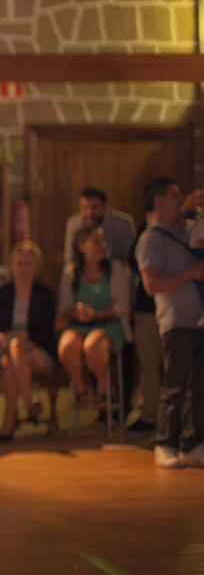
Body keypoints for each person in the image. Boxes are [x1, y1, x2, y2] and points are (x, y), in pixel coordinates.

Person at [134, 178, 204, 469]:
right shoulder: (151, 239)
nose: (181, 199)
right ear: (159, 201)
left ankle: (191, 444)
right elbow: (152, 284)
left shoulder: (183, 231)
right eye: (175, 196)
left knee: (197, 386)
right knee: (174, 385)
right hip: (175, 322)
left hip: (198, 321)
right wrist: (192, 273)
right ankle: (164, 443)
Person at [57, 225, 132, 411]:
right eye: (96, 242)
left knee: (93, 345)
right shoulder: (71, 272)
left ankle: (102, 392)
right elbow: (64, 307)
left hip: (108, 325)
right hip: (79, 325)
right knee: (67, 346)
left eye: (103, 241)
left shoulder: (114, 269)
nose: (102, 246)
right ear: (81, 246)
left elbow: (123, 307)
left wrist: (97, 313)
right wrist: (77, 312)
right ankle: (81, 392)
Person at [0, 240, 57, 441]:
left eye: (28, 263)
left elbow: (46, 331)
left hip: (38, 349)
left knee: (8, 362)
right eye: (19, 263)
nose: (23, 268)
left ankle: (9, 421)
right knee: (11, 349)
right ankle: (30, 403)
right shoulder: (1, 294)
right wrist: (17, 339)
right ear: (12, 266)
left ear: (36, 267)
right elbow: (1, 331)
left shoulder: (46, 295)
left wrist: (23, 339)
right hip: (10, 347)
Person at [126, 215, 162, 434]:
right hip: (146, 307)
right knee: (148, 365)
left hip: (179, 307)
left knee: (179, 368)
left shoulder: (184, 227)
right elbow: (132, 260)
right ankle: (149, 415)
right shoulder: (147, 231)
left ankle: (179, 418)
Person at [63, 186, 136, 266]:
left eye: (95, 207)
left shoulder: (123, 224)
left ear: (105, 206)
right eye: (85, 207)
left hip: (116, 274)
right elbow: (69, 259)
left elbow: (130, 262)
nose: (89, 212)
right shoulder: (74, 225)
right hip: (83, 275)